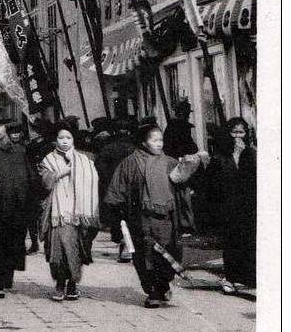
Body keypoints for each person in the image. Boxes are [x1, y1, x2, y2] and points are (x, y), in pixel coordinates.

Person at [104, 123, 208, 308]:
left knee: (169, 253)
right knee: (146, 256)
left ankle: (164, 284)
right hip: (142, 218)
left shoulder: (169, 162)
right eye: (154, 140)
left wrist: (193, 164)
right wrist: (117, 214)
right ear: (143, 142)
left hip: (167, 218)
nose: (159, 144)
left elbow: (182, 182)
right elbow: (117, 190)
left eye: (161, 140)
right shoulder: (131, 162)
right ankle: (152, 291)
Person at [37, 122, 100, 301]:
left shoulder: (85, 160)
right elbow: (44, 183)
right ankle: (59, 283)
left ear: (74, 139)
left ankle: (72, 284)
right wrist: (60, 173)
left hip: (78, 213)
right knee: (57, 251)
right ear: (55, 139)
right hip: (57, 213)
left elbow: (93, 184)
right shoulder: (48, 159)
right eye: (61, 138)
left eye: (68, 138)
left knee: (75, 250)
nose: (64, 141)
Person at [0, 115, 34, 298]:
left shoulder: (18, 151)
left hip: (15, 205)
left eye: (0, 126)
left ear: (5, 128)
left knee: (13, 241)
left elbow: (26, 177)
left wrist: (26, 200)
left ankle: (7, 277)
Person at [206, 117, 257, 293]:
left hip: (247, 205)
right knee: (231, 242)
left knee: (248, 241)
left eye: (241, 132)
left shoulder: (251, 154)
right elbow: (212, 183)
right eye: (234, 132)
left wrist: (244, 156)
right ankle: (231, 277)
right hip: (227, 206)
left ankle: (246, 277)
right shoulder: (220, 156)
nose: (237, 136)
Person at [94, 118, 137, 263]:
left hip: (113, 189)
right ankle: (129, 248)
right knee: (132, 218)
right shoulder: (136, 149)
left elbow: (99, 170)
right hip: (133, 189)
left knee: (118, 219)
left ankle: (124, 247)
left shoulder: (107, 149)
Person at [163, 100, 199, 234]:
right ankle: (187, 224)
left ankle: (178, 224)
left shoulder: (170, 127)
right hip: (181, 164)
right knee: (184, 196)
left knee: (176, 195)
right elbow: (190, 147)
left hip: (170, 163)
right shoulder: (183, 127)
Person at [24, 120, 54, 254]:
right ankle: (35, 242)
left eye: (35, 130)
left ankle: (47, 242)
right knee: (32, 214)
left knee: (47, 214)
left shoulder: (50, 146)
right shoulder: (31, 146)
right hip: (33, 182)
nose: (33, 133)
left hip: (46, 181)